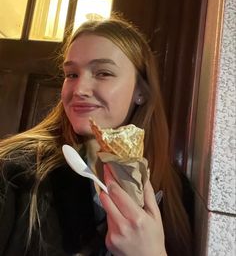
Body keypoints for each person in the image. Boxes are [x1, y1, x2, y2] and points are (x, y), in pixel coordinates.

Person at [0, 15, 192, 255]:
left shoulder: (176, 192)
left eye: (103, 73)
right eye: (71, 75)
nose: (78, 89)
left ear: (141, 92)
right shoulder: (13, 171)